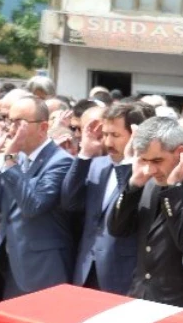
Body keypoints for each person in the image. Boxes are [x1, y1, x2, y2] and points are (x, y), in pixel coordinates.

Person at [108, 116, 183, 311]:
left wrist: (173, 189)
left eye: (157, 160)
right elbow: (117, 229)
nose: (150, 169)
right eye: (144, 160)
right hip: (141, 297)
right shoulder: (148, 179)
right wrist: (133, 186)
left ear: (181, 153)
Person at [0, 95, 75, 297]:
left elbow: (33, 206)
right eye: (9, 121)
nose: (12, 129)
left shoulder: (60, 161)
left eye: (19, 123)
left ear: (43, 127)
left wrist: (10, 159)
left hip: (43, 267)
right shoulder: (17, 157)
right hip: (11, 261)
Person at [61, 102, 146, 296]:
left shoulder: (144, 172)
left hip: (121, 274)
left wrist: (129, 161)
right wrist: (84, 155)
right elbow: (70, 202)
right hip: (86, 269)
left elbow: (127, 206)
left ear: (135, 136)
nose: (107, 143)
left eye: (115, 135)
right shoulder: (97, 165)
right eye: (105, 135)